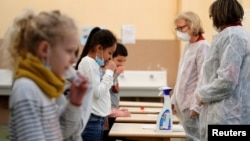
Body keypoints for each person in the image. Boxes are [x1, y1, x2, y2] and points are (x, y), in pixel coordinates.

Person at [2, 10, 90, 141]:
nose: (73, 59)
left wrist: (74, 102)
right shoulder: (26, 88)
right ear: (44, 49)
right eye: (69, 51)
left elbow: (61, 132)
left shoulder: (45, 86)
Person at [196, 0, 250, 140]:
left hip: (228, 117)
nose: (212, 19)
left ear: (220, 14)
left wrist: (202, 94)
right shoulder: (234, 35)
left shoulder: (233, 37)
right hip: (227, 114)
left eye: (212, 15)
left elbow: (227, 81)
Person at [170, 11, 209, 141]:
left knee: (195, 138)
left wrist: (196, 106)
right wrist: (174, 99)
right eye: (177, 29)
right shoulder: (188, 46)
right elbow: (181, 76)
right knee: (187, 137)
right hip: (182, 103)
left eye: (181, 28)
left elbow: (203, 78)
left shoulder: (203, 46)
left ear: (192, 25)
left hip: (192, 104)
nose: (179, 31)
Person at [75, 27, 117, 141]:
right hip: (91, 121)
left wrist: (106, 71)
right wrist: (109, 72)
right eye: (110, 53)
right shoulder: (88, 63)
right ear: (99, 48)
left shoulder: (95, 64)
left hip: (97, 120)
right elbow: (97, 93)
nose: (110, 58)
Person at [103, 43, 131, 141]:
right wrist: (116, 73)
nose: (121, 64)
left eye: (124, 61)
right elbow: (105, 87)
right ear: (110, 58)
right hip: (108, 114)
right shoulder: (107, 73)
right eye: (119, 60)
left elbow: (114, 92)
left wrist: (118, 109)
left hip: (114, 111)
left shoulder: (114, 73)